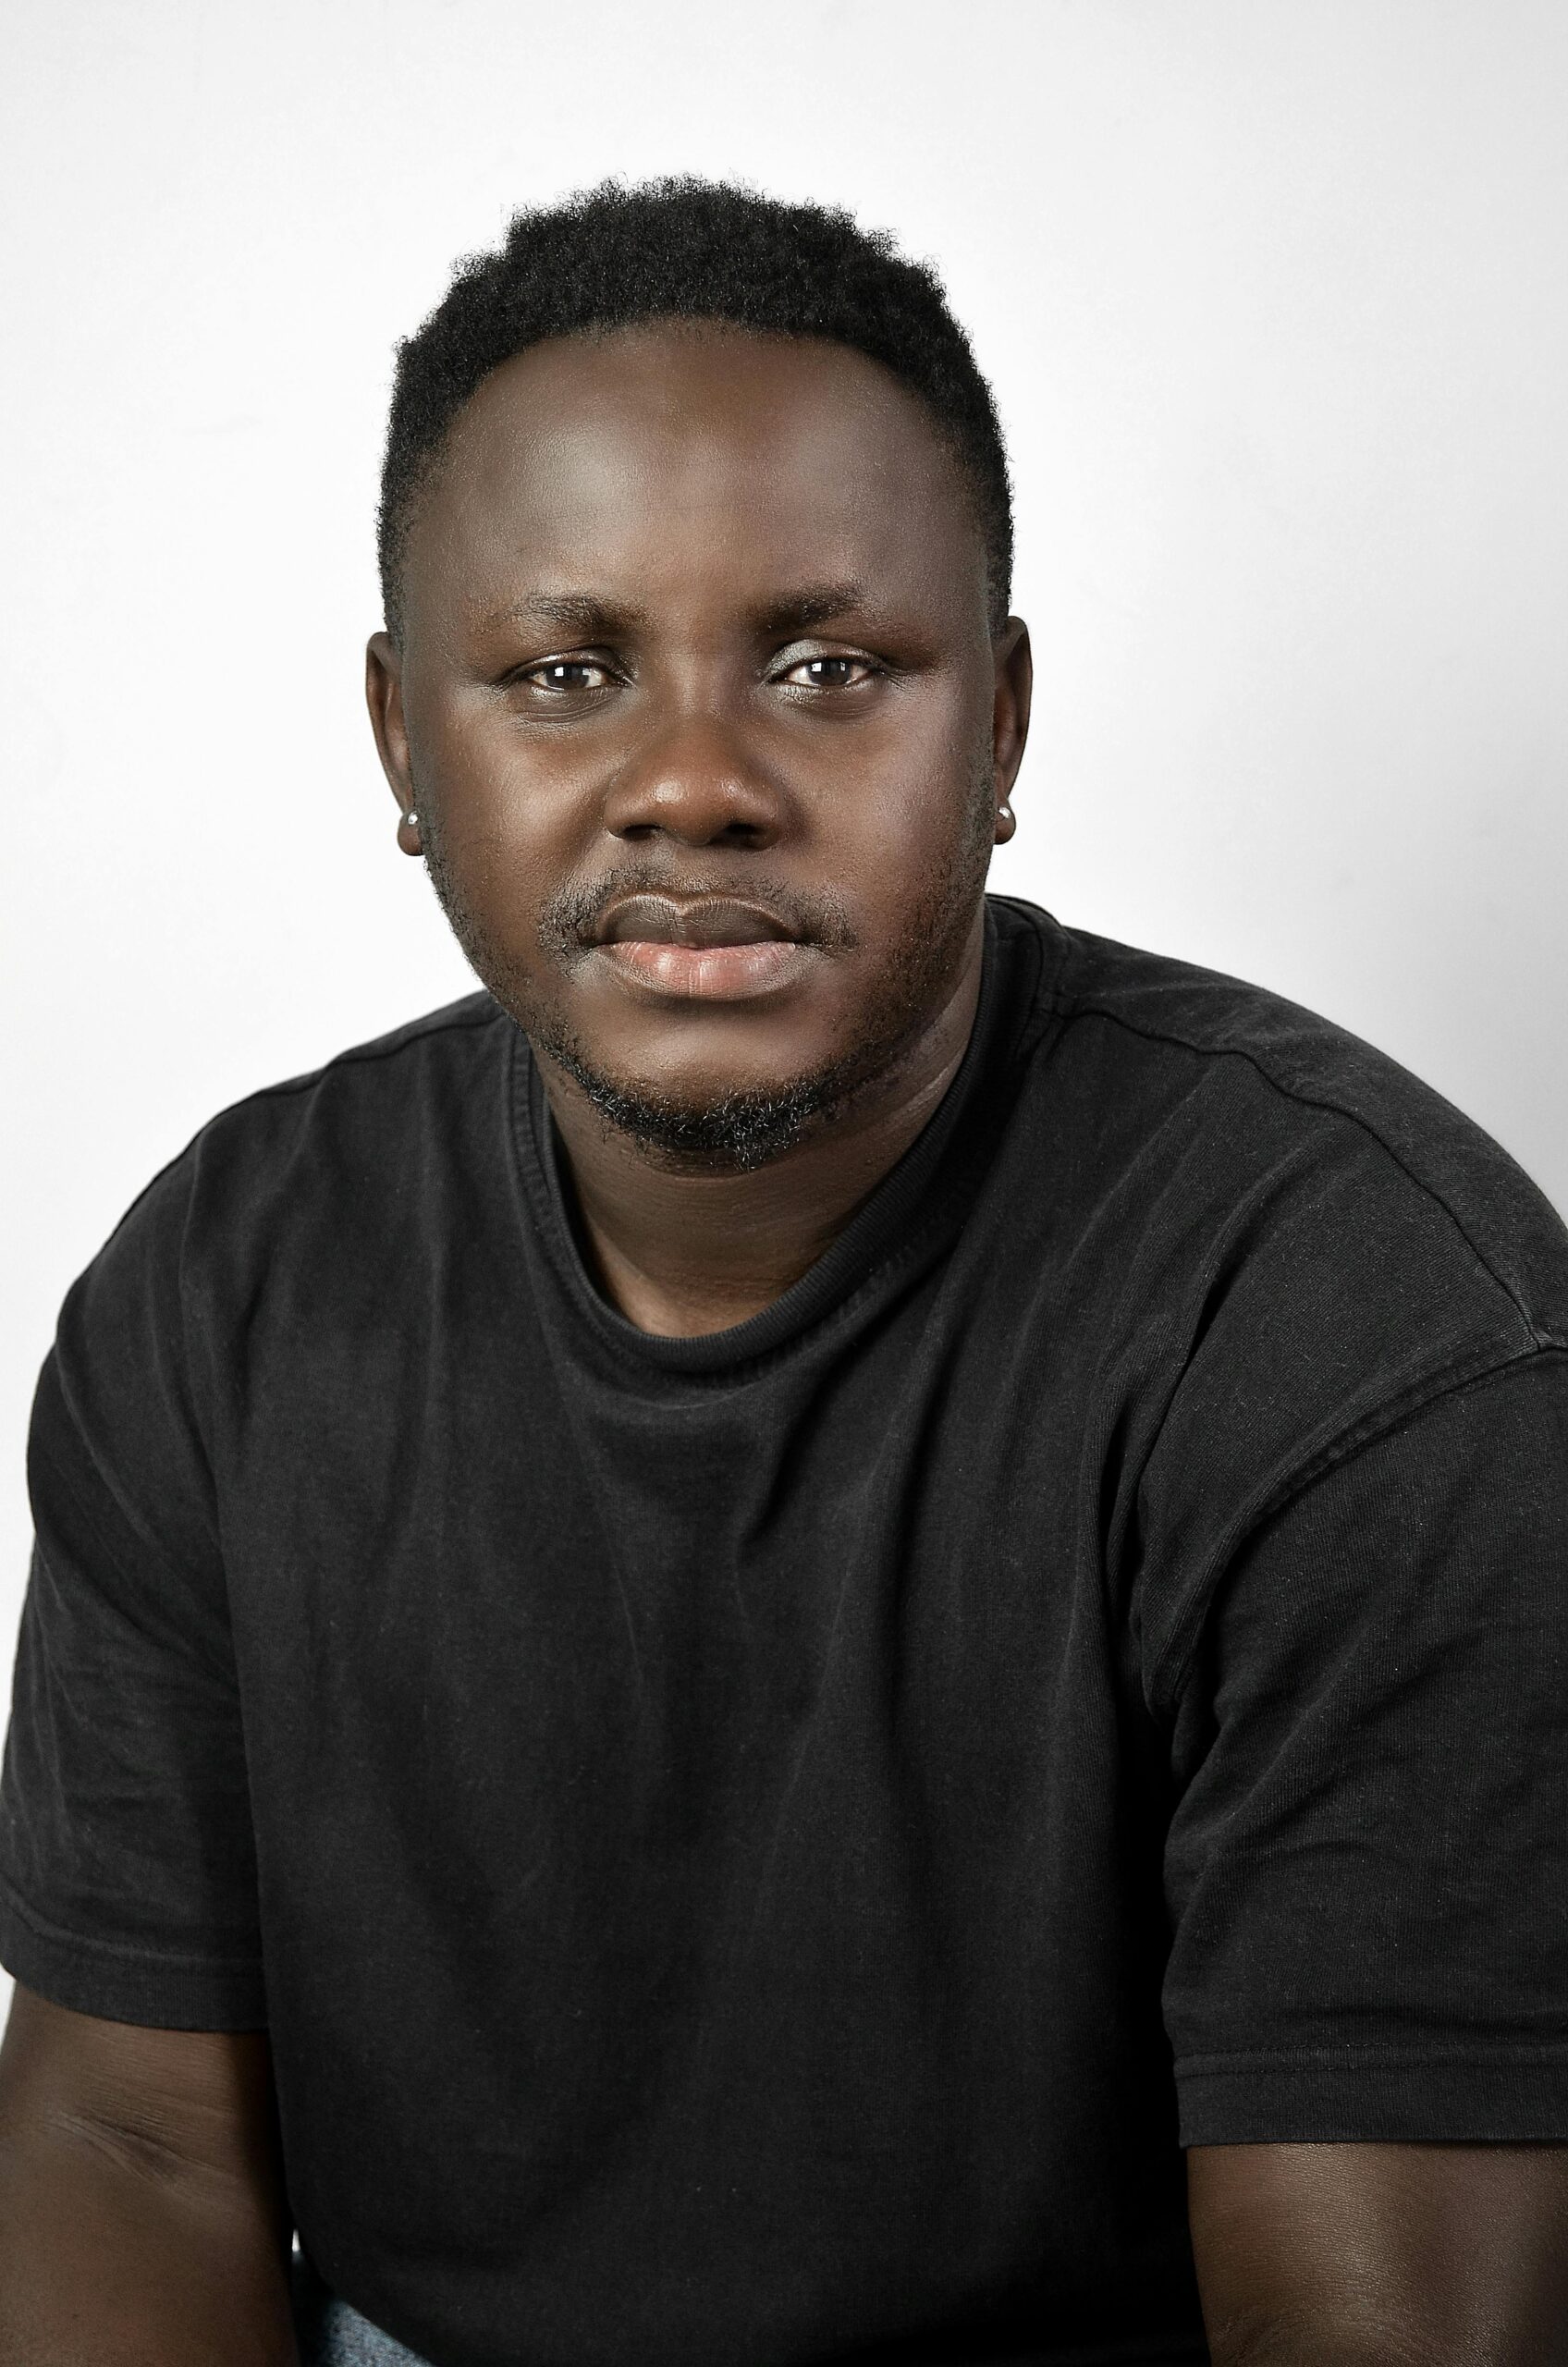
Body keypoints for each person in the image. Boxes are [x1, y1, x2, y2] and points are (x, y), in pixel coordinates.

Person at [0, 178, 1564, 2367]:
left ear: (998, 730)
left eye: (829, 668)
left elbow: (1374, 2322)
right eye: (564, 674)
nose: (694, 784)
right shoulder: (216, 1293)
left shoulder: (1369, 1335)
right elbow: (128, 2145)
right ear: (398, 750)